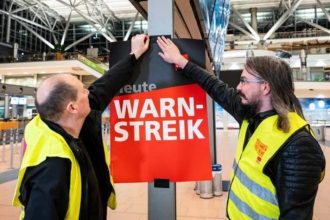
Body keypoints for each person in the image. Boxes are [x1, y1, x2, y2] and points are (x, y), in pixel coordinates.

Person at [156, 36, 325, 220]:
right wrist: (181, 61)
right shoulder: (249, 115)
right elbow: (215, 87)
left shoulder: (298, 146)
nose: (238, 86)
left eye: (244, 81)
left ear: (265, 87)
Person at [13, 34, 150, 220]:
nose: (88, 92)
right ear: (72, 108)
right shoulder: (52, 166)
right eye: (83, 90)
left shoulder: (64, 121)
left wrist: (134, 55)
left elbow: (103, 86)